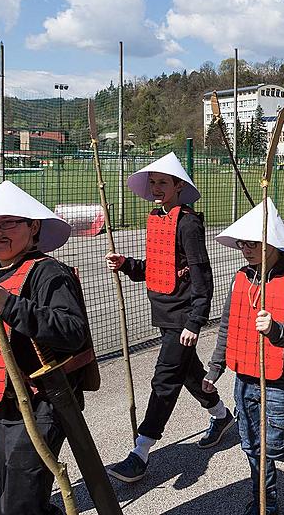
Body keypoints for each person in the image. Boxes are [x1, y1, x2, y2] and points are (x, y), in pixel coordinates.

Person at [0, 181, 101, 515]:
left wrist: (13, 307)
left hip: (42, 404)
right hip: (5, 407)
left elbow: (73, 331)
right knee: (7, 494)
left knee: (19, 501)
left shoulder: (48, 272)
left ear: (33, 226)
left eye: (7, 223)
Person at [107, 153, 234, 483]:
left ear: (179, 186)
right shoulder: (156, 218)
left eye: (163, 182)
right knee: (188, 373)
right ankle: (221, 416)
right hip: (162, 311)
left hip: (181, 316)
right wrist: (127, 264)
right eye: (153, 183)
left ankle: (141, 451)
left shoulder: (189, 223)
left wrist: (196, 321)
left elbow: (202, 274)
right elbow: (157, 264)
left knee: (164, 379)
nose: (157, 188)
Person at [205, 198, 284, 515]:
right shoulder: (242, 276)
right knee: (251, 446)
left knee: (275, 444)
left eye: (253, 243)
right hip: (245, 374)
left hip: (282, 376)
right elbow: (228, 326)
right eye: (242, 242)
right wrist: (214, 368)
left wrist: (274, 330)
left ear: (272, 243)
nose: (245, 248)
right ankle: (264, 503)